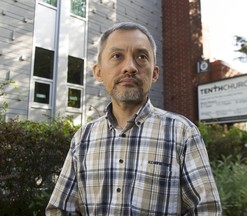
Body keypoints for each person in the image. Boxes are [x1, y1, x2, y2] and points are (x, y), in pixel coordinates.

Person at [46, 21, 222, 215]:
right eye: (117, 56)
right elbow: (60, 210)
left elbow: (206, 210)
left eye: (141, 57)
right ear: (98, 72)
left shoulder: (182, 133)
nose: (129, 67)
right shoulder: (82, 139)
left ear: (154, 73)